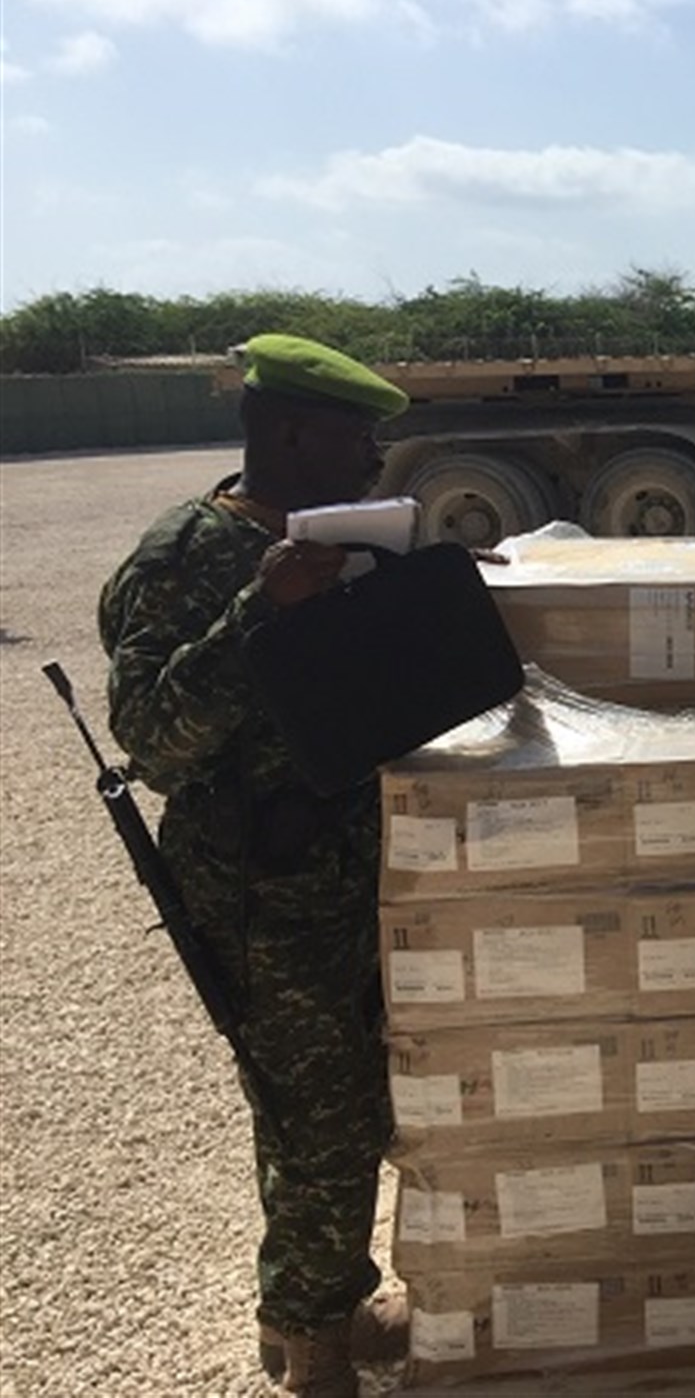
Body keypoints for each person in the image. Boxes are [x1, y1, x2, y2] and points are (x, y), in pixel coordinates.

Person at [97, 334, 410, 1396]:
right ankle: (315, 1345)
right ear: (291, 434)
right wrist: (257, 614)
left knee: (355, 1107)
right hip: (262, 892)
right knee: (318, 1120)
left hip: (351, 874)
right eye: (356, 437)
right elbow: (153, 739)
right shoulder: (186, 557)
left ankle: (312, 1303)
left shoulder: (338, 536)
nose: (373, 458)